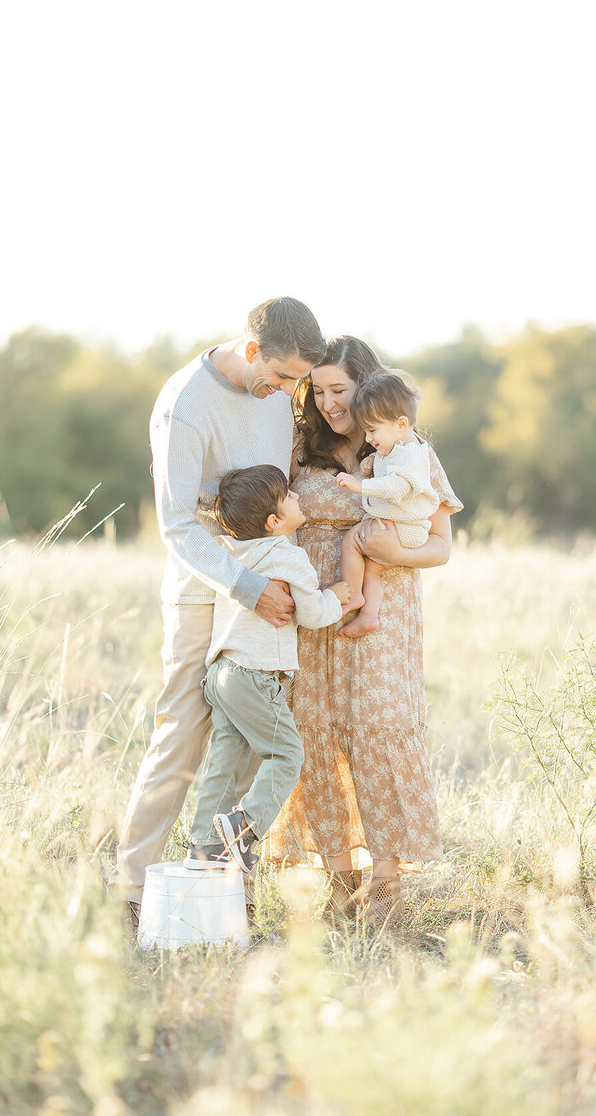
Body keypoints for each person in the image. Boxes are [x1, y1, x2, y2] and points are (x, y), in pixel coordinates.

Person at [115, 298, 325, 931]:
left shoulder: (278, 397)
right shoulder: (187, 403)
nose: (289, 393)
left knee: (245, 732)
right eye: (284, 376)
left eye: (298, 382)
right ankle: (130, 887)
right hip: (205, 578)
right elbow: (178, 524)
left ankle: (217, 878)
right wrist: (246, 584)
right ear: (252, 348)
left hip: (262, 574)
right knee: (182, 724)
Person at [264, 336, 463, 923]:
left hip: (385, 606)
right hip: (315, 608)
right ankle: (338, 881)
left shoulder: (410, 449)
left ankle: (384, 888)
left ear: (367, 384)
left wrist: (385, 553)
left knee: (378, 728)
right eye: (317, 391)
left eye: (339, 390)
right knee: (316, 731)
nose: (327, 403)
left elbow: (441, 548)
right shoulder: (301, 448)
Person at [187, 464, 350, 871]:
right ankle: (245, 826)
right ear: (275, 522)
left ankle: (204, 846)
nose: (297, 498)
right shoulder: (287, 555)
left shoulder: (229, 551)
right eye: (289, 497)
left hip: (222, 673)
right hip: (256, 676)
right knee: (288, 754)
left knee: (224, 761)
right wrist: (339, 598)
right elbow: (311, 614)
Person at [335, 372, 439, 637]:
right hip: (403, 526)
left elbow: (396, 487)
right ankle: (368, 614)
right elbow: (391, 470)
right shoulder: (399, 449)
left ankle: (353, 595)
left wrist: (360, 485)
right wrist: (373, 463)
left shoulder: (411, 455)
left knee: (351, 541)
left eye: (373, 430)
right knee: (372, 568)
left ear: (401, 424)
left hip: (404, 528)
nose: (369, 438)